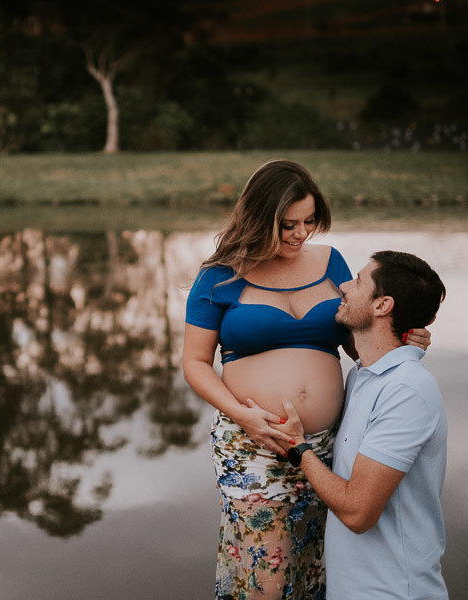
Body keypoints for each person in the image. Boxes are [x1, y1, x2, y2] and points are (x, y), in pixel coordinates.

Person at [182, 159, 430, 600]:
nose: (301, 234)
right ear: (260, 218)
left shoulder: (331, 262)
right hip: (255, 442)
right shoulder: (219, 276)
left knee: (317, 567)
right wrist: (246, 417)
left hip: (328, 446)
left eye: (309, 222)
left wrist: (401, 336)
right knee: (268, 580)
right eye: (288, 224)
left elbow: (359, 340)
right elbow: (196, 363)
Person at [273, 251, 448, 599]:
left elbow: (357, 512)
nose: (343, 286)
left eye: (357, 280)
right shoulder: (363, 376)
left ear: (382, 305)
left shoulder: (406, 390)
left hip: (394, 590)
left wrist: (299, 448)